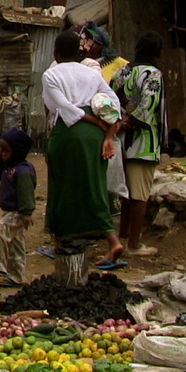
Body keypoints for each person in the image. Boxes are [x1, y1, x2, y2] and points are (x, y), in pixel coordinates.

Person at [40, 30, 119, 275]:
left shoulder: (51, 74)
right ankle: (112, 240)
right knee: (94, 185)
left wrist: (95, 124)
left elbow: (64, 108)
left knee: (63, 185)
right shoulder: (91, 73)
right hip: (94, 137)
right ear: (79, 51)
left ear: (55, 51)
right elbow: (113, 104)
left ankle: (62, 239)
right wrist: (107, 134)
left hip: (69, 133)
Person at [104, 31, 167, 265]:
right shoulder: (153, 74)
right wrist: (128, 123)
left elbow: (111, 100)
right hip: (143, 142)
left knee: (126, 194)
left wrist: (117, 125)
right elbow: (147, 107)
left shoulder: (122, 71)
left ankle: (123, 235)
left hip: (120, 141)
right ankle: (134, 244)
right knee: (140, 195)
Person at [0, 129, 36, 289]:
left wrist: (27, 212)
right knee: (16, 245)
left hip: (18, 212)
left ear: (16, 151)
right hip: (10, 211)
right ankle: (17, 276)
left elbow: (26, 193)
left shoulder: (23, 171)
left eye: (5, 150)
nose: (2, 153)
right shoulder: (9, 166)